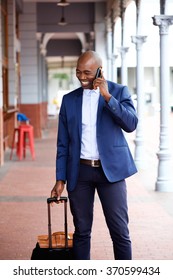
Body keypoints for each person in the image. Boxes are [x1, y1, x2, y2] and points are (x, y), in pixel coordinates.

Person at [51, 50, 138, 260]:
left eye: (87, 72)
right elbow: (63, 144)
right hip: (79, 172)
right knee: (81, 231)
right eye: (78, 72)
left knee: (119, 232)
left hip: (111, 172)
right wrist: (60, 179)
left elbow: (131, 124)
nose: (82, 77)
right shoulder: (69, 100)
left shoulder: (118, 92)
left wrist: (107, 97)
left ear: (100, 71)